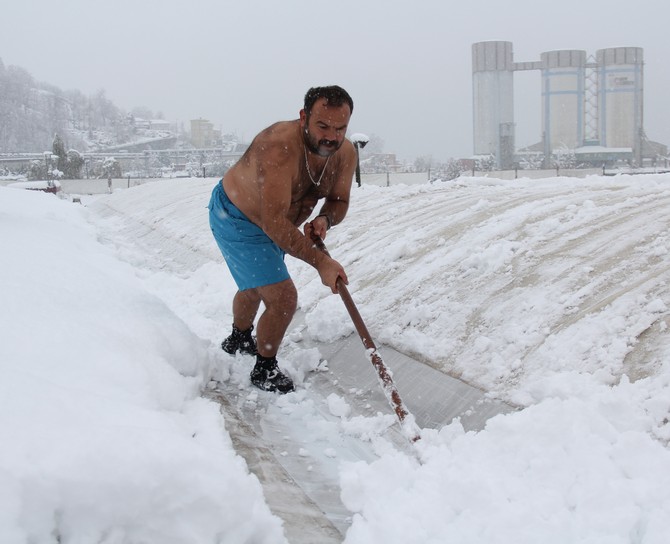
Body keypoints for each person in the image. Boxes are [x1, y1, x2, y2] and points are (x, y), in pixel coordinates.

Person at [209, 85, 357, 394]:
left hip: (279, 224)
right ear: (304, 116)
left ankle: (239, 336)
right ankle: (265, 369)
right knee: (283, 297)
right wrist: (322, 263)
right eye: (323, 126)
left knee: (256, 284)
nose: (331, 136)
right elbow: (273, 221)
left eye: (340, 128)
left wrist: (325, 218)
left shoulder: (345, 154)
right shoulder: (276, 146)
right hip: (237, 217)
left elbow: (339, 201)